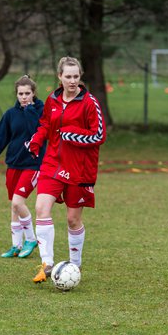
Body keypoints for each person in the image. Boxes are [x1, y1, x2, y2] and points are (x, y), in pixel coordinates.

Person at [24, 56, 106, 283]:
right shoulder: (52, 99)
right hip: (52, 164)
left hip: (79, 169)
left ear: (80, 77)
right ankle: (47, 263)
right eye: (68, 76)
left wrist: (71, 134)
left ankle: (74, 265)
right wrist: (37, 141)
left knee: (72, 220)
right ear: (60, 77)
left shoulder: (90, 103)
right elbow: (45, 124)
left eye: (76, 76)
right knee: (41, 208)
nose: (72, 81)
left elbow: (99, 135)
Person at [0, 75, 46, 258]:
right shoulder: (10, 114)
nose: (24, 97)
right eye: (20, 94)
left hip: (33, 165)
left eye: (27, 93)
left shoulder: (41, 111)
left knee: (18, 202)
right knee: (14, 207)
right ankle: (16, 245)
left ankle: (31, 239)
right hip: (14, 164)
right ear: (16, 94)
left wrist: (29, 110)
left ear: (34, 93)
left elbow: (37, 131)